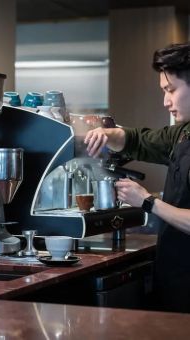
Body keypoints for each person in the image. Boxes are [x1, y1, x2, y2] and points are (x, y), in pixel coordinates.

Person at [84, 42, 190, 313]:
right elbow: (140, 140)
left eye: (171, 90)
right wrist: (108, 135)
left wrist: (146, 202)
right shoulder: (182, 134)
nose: (166, 101)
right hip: (176, 274)